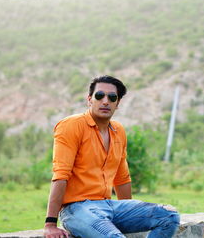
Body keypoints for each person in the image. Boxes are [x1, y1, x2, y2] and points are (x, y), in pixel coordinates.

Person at [44, 75, 180, 238]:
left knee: (169, 216)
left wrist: (129, 212)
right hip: (77, 209)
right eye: (99, 96)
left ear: (118, 103)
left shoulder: (118, 131)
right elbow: (60, 174)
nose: (105, 101)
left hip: (108, 206)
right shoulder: (71, 126)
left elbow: (122, 178)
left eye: (112, 97)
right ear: (89, 99)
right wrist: (50, 224)